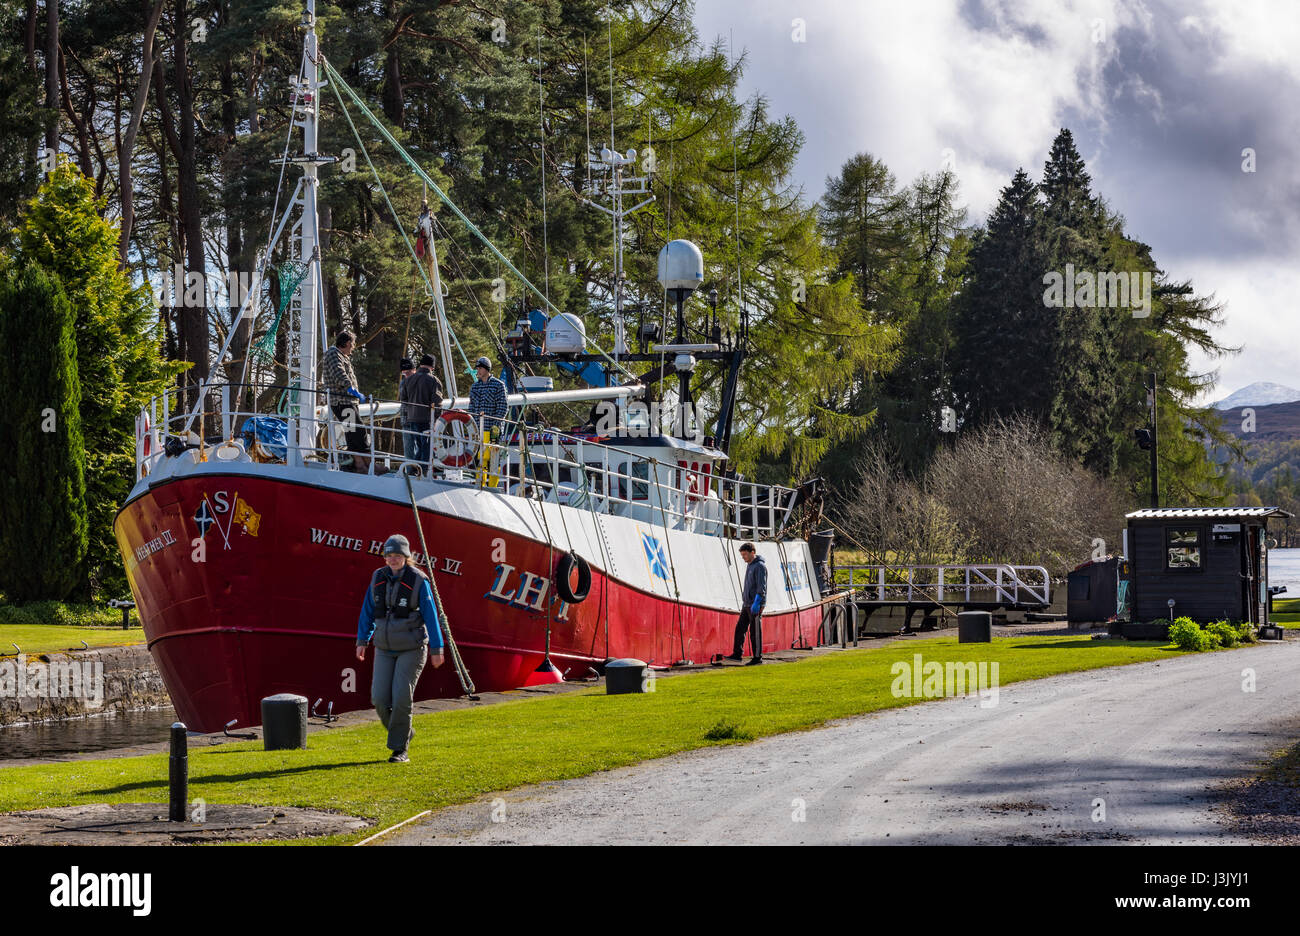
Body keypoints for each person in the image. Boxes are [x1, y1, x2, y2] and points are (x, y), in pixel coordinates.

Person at [355, 534, 446, 762]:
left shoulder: (419, 581)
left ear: (406, 557)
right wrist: (362, 641)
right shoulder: (378, 577)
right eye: (389, 555)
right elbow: (368, 610)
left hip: (411, 648)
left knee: (401, 698)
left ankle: (400, 750)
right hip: (384, 648)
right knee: (379, 699)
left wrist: (437, 648)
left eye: (397, 555)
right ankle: (405, 733)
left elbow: (431, 615)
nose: (393, 559)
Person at [320, 331, 370, 473]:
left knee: (352, 432)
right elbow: (339, 374)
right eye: (353, 345)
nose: (353, 348)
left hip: (347, 402)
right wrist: (352, 390)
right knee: (359, 431)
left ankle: (360, 464)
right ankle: (370, 463)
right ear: (348, 343)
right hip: (342, 401)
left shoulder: (340, 356)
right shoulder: (333, 354)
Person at [724, 542, 766, 665]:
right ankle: (737, 654)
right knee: (740, 629)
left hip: (755, 604)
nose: (743, 557)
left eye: (745, 555)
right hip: (747, 603)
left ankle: (758, 657)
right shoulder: (750, 565)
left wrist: (758, 602)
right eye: (742, 555)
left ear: (752, 553)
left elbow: (761, 586)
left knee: (755, 631)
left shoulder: (760, 567)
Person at [400, 354, 443, 465]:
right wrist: (438, 421)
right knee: (426, 448)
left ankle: (415, 468)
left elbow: (403, 399)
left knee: (419, 446)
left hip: (412, 419)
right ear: (432, 367)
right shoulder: (434, 380)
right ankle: (423, 471)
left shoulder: (408, 380)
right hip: (426, 420)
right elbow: (437, 403)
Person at [467, 355, 507, 435]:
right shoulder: (474, 387)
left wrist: (495, 427)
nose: (478, 371)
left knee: (492, 448)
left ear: (487, 369)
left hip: (493, 430)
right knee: (479, 448)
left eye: (480, 368)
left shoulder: (498, 385)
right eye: (477, 368)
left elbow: (502, 408)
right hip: (477, 431)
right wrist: (472, 427)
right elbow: (471, 408)